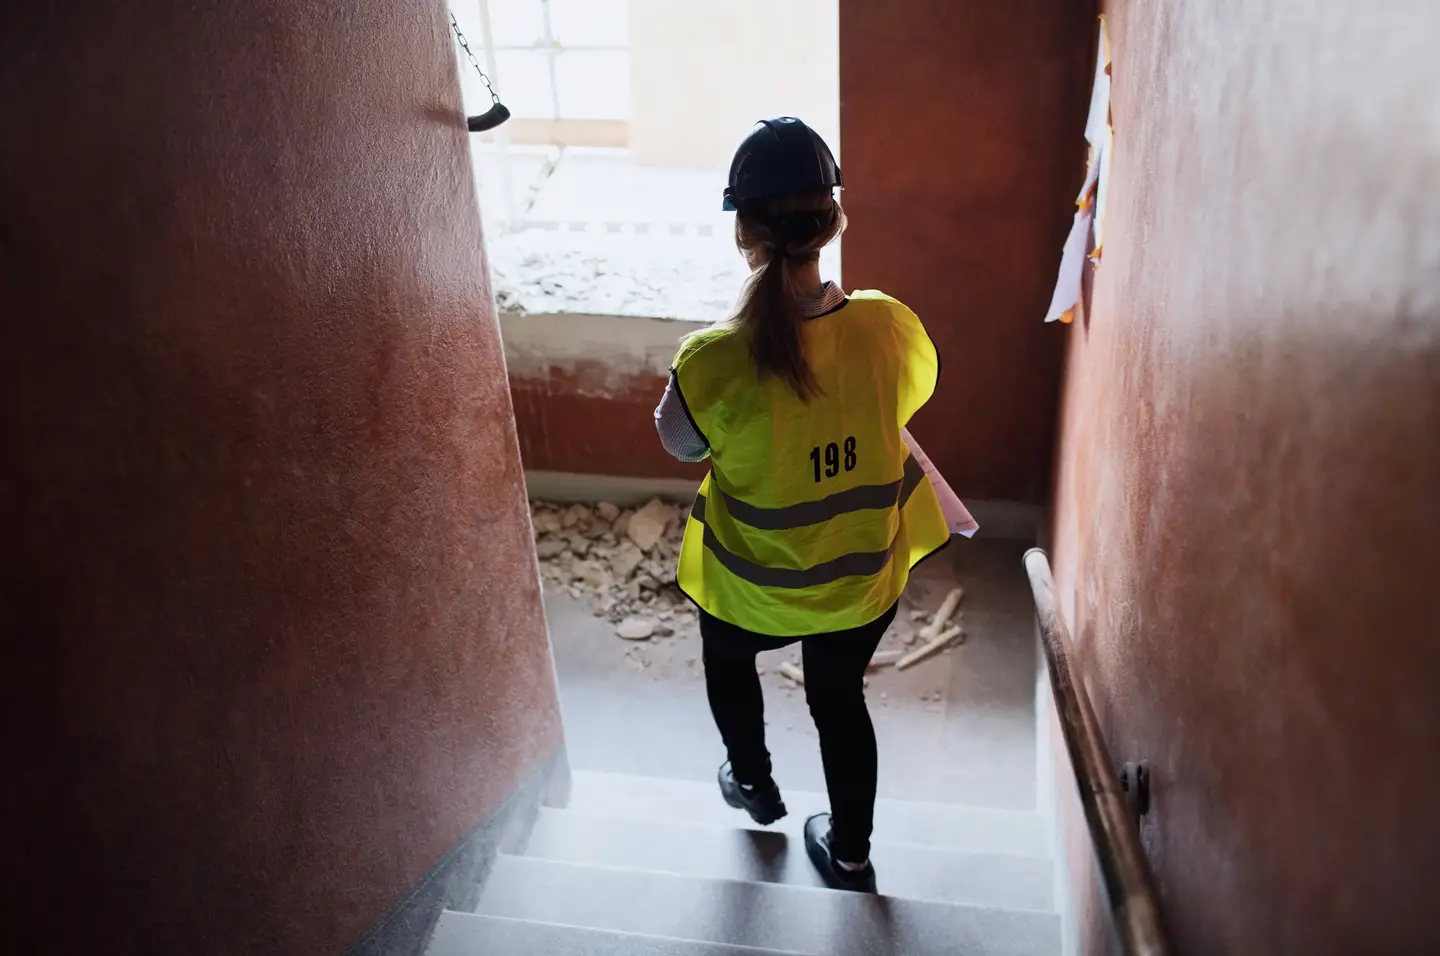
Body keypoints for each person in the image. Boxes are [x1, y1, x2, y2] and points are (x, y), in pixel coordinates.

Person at [653, 117, 955, 894]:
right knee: (838, 699)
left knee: (728, 660)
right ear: (834, 218)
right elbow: (912, 396)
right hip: (857, 584)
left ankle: (752, 784)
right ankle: (849, 854)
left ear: (744, 233)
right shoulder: (888, 326)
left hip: (750, 585)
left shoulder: (712, 358)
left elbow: (682, 447)